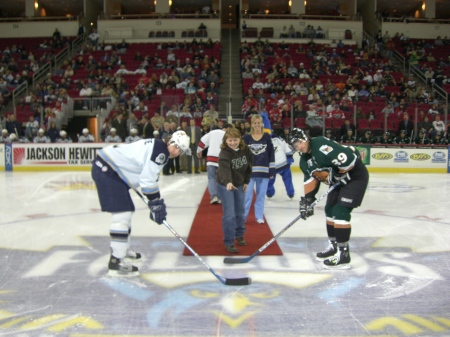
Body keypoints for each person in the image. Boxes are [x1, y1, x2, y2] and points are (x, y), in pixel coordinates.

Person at [91, 130, 190, 276]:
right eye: (176, 147)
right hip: (108, 170)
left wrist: (155, 202)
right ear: (170, 142)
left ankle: (121, 250)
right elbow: (148, 182)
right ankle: (116, 260)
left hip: (113, 171)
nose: (176, 152)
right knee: (122, 214)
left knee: (127, 211)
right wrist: (155, 204)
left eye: (180, 151)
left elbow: (146, 175)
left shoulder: (159, 147)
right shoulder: (160, 153)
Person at [288, 128, 369, 269]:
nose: (299, 147)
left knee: (340, 211)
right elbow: (310, 180)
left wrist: (341, 174)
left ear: (306, 138)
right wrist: (308, 200)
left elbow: (350, 159)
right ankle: (334, 246)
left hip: (355, 177)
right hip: (338, 181)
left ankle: (343, 254)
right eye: (295, 145)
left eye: (299, 142)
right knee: (330, 210)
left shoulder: (321, 145)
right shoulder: (304, 160)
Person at [216, 127, 253, 254]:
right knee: (229, 214)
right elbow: (224, 169)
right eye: (230, 140)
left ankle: (239, 234)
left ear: (240, 139)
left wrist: (246, 181)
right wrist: (228, 182)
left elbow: (249, 166)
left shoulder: (245, 150)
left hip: (240, 183)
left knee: (240, 211)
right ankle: (229, 241)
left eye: (235, 140)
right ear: (226, 140)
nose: (233, 143)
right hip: (225, 185)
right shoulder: (224, 153)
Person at [243, 114, 275, 224]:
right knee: (247, 196)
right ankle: (243, 217)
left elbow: (271, 154)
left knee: (261, 196)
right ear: (252, 124)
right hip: (249, 172)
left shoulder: (267, 137)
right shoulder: (246, 138)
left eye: (259, 122)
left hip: (264, 171)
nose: (257, 124)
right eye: (255, 122)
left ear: (262, 123)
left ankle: (259, 216)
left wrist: (272, 169)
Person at [197, 123, 233, 204]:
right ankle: (221, 196)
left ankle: (214, 196)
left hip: (211, 159)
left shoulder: (212, 132)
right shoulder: (227, 136)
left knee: (211, 178)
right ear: (227, 128)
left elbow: (202, 141)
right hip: (222, 160)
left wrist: (198, 150)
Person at [266, 133, 295, 199]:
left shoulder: (277, 139)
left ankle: (290, 193)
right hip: (273, 166)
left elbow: (286, 146)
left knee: (287, 179)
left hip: (281, 164)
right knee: (271, 180)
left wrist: (289, 156)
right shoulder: (262, 141)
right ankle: (270, 192)